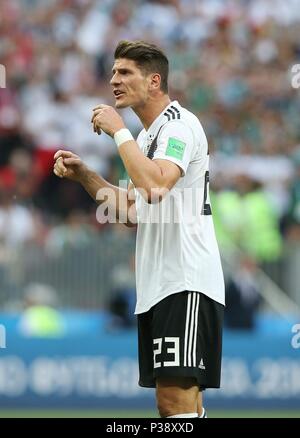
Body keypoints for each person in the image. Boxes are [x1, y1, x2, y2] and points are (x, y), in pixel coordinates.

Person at [53, 40, 225, 418]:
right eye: (113, 72)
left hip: (185, 279)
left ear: (154, 81)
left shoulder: (178, 125)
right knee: (181, 407)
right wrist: (86, 175)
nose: (114, 79)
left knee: (174, 402)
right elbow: (132, 210)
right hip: (160, 285)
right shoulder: (148, 138)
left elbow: (156, 187)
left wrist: (118, 132)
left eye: (125, 72)